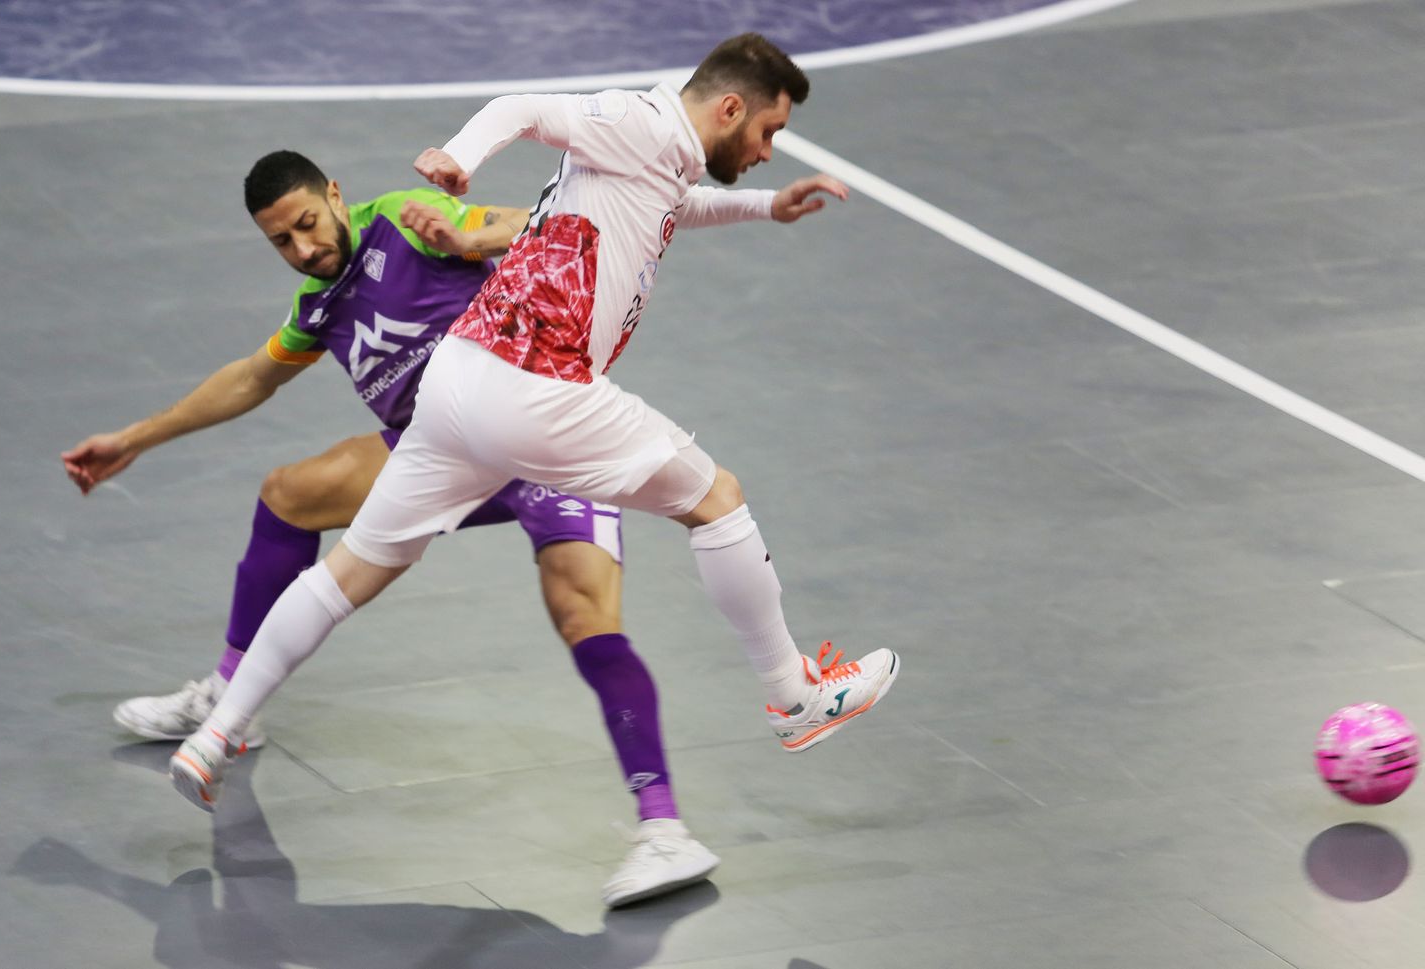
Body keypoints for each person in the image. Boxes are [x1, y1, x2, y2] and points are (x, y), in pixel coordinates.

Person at [172, 33, 900, 827]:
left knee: (347, 572)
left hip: (457, 380)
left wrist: (767, 205)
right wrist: (457, 160)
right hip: (540, 387)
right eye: (768, 132)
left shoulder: (653, 154)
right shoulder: (641, 123)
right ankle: (792, 695)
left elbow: (672, 205)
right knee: (718, 500)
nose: (767, 150)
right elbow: (522, 108)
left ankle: (215, 733)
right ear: (731, 107)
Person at [61, 150, 716, 907]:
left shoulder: (406, 224)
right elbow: (251, 377)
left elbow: (524, 225)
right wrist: (136, 438)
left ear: (334, 195)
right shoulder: (319, 301)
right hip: (436, 458)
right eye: (281, 241)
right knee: (291, 494)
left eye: (308, 223)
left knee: (585, 616)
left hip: (538, 444)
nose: (303, 249)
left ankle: (665, 831)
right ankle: (233, 694)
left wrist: (472, 237)